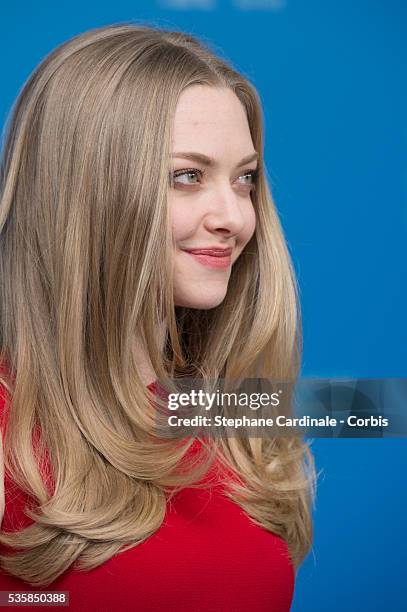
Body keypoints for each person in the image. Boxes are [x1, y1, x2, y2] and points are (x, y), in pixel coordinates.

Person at [0, 23, 315, 611]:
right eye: (187, 176)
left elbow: (370, 409)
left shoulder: (216, 405)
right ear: (85, 192)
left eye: (244, 179)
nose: (235, 218)